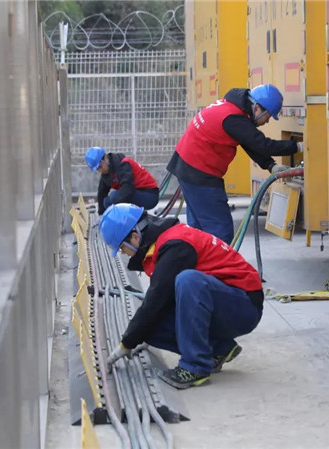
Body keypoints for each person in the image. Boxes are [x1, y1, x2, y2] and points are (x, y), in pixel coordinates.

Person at [100, 203, 264, 389]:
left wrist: (126, 343)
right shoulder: (163, 244)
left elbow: (157, 297)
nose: (124, 253)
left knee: (188, 281)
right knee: (150, 328)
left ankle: (195, 367)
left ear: (135, 237)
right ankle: (219, 348)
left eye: (122, 248)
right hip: (224, 301)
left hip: (244, 305)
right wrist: (135, 335)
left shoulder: (175, 245)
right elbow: (158, 304)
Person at [167, 84, 303, 243]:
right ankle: (217, 266)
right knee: (220, 233)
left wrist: (270, 165)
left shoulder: (230, 107)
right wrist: (299, 146)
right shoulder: (234, 118)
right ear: (257, 108)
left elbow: (248, 142)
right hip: (200, 174)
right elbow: (263, 145)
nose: (266, 122)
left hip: (186, 167)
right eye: (268, 117)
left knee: (199, 230)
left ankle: (199, 265)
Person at [84, 147, 160, 215]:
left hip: (149, 195)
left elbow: (128, 189)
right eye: (98, 169)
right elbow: (101, 193)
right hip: (135, 193)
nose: (100, 171)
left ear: (105, 158)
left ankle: (132, 221)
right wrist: (101, 215)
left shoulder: (123, 164)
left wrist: (115, 208)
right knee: (106, 202)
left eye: (100, 167)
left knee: (114, 198)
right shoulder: (107, 172)